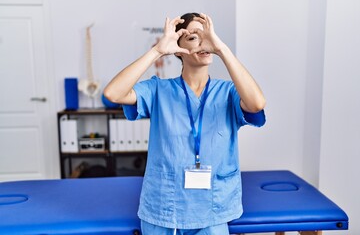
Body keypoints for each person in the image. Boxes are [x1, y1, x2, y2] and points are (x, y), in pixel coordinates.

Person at [104, 12, 266, 235]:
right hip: (163, 210)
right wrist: (157, 51)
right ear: (178, 49)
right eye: (193, 38)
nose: (203, 43)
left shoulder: (228, 93)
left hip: (212, 210)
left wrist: (222, 49)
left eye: (206, 36)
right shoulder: (158, 90)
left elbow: (256, 103)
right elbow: (113, 93)